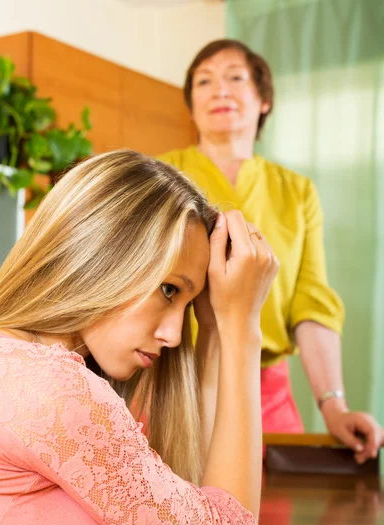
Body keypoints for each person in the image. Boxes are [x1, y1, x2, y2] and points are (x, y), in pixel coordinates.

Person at [0, 150, 279, 525]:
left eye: (188, 306)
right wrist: (242, 328)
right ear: (99, 253)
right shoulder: (54, 392)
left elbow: (193, 499)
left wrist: (213, 328)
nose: (175, 334)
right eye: (168, 290)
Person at [159, 39, 384, 464]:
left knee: (272, 520)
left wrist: (333, 404)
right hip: (172, 377)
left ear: (263, 100)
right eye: (204, 81)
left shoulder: (297, 191)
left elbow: (311, 302)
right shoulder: (161, 174)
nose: (219, 90)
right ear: (190, 106)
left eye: (235, 78)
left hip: (267, 389)